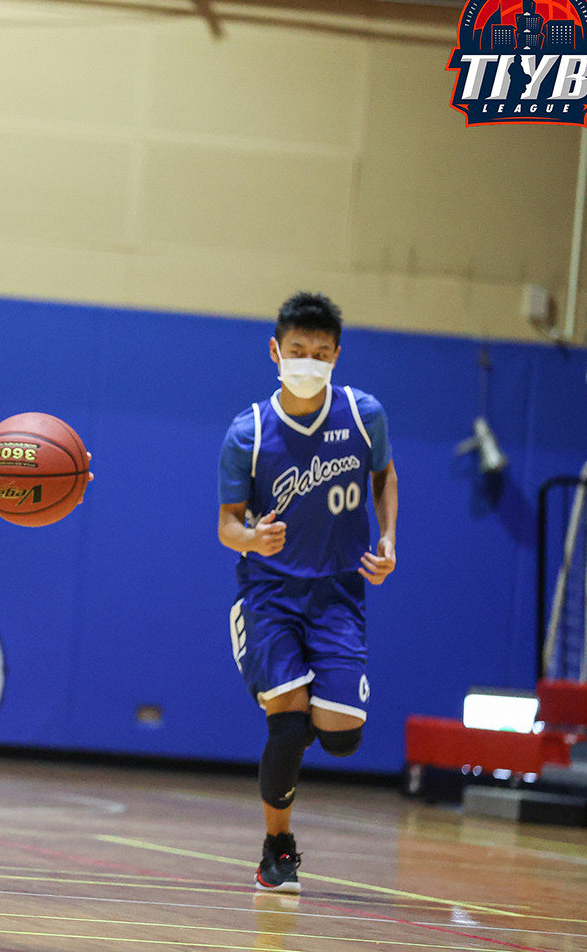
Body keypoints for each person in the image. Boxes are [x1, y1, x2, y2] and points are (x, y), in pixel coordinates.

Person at [216, 291, 398, 893]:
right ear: (275, 351)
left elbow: (384, 474)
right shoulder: (249, 431)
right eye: (298, 350)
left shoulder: (363, 414)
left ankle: (302, 707)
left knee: (343, 737)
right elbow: (227, 527)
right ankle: (277, 848)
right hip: (270, 593)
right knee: (288, 727)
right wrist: (252, 538)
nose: (309, 361)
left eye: (321, 353)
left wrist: (388, 538)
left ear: (336, 356)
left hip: (339, 591)